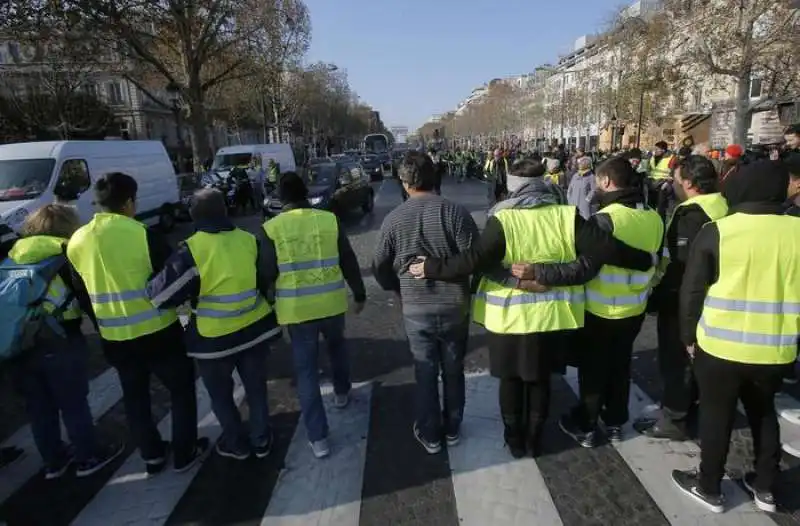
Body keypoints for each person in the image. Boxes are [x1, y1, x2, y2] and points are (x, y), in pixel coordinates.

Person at [408, 159, 654, 458]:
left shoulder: (503, 218)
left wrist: (432, 267)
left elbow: (474, 260)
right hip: (552, 316)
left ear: (513, 185)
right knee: (540, 380)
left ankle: (514, 440)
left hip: (508, 318)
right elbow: (606, 249)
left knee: (510, 381)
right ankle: (535, 440)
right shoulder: (567, 216)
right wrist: (644, 260)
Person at [673, 160, 800, 514]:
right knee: (764, 414)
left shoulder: (718, 231)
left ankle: (709, 485)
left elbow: (692, 292)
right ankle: (765, 487)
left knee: (717, 416)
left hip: (719, 346)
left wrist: (688, 336)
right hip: (776, 348)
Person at [67, 172, 207, 475]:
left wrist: (101, 323)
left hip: (114, 337)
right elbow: (177, 285)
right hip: (160, 332)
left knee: (135, 397)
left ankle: (152, 454)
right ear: (129, 201)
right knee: (181, 390)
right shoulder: (143, 234)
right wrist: (186, 325)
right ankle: (185, 452)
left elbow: (81, 292)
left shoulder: (76, 241)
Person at [527, 158, 663, 447]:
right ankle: (615, 421)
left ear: (606, 182)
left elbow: (584, 267)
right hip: (635, 307)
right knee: (620, 366)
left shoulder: (605, 219)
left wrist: (543, 274)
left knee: (594, 369)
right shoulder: (654, 215)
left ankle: (585, 423)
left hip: (600, 308)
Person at [146, 189, 281, 460]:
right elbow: (266, 276)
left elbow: (161, 296)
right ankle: (261, 439)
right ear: (225, 209)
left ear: (194, 215)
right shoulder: (249, 240)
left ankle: (236, 444)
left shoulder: (192, 250)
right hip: (254, 329)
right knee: (256, 391)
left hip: (212, 340)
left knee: (221, 397)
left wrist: (184, 319)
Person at [3, 205, 124, 479]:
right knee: (73, 403)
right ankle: (88, 457)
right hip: (59, 340)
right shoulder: (66, 255)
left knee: (38, 408)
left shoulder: (12, 257)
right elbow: (86, 299)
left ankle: (54, 462)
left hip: (18, 346)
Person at [372, 151, 479, 454]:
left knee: (425, 371)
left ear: (404, 183)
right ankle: (454, 427)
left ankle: (431, 433)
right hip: (455, 306)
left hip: (416, 308)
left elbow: (379, 265)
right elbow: (474, 258)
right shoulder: (456, 213)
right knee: (454, 369)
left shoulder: (394, 219)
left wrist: (397, 288)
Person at [260, 172, 366, 459]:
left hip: (296, 310)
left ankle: (318, 438)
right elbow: (348, 258)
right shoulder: (328, 220)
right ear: (305, 193)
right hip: (331, 302)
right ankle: (342, 393)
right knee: (337, 349)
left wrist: (267, 300)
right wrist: (359, 293)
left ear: (281, 199)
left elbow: (267, 272)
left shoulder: (271, 228)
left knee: (306, 372)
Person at [635, 156, 729, 441]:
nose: (672, 184)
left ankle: (674, 418)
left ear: (688, 183)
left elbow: (681, 266)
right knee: (698, 358)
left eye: (675, 180)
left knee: (676, 361)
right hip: (717, 295)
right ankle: (691, 407)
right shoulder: (723, 206)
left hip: (685, 299)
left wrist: (660, 298)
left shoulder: (690, 215)